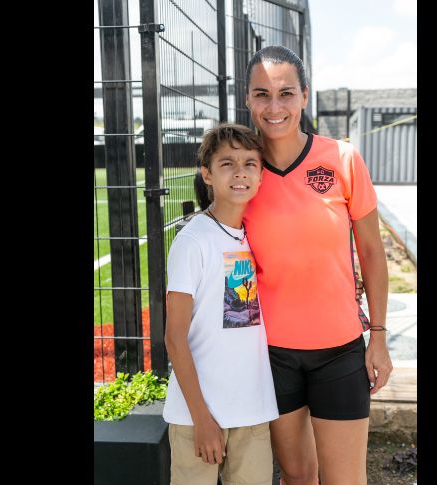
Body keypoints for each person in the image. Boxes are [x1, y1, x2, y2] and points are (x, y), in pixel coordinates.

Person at [242, 45, 394, 485]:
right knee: (298, 477)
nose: (274, 107)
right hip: (271, 355)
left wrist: (378, 337)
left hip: (340, 352)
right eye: (262, 95)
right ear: (248, 100)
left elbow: (371, 253)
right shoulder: (242, 173)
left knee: (346, 479)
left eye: (286, 93)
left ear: (305, 96)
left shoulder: (342, 159)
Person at [163, 123, 278, 485]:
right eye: (227, 163)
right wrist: (202, 419)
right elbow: (174, 338)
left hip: (252, 411)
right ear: (207, 174)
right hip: (197, 416)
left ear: (261, 175)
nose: (240, 172)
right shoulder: (193, 240)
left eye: (250, 163)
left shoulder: (258, 235)